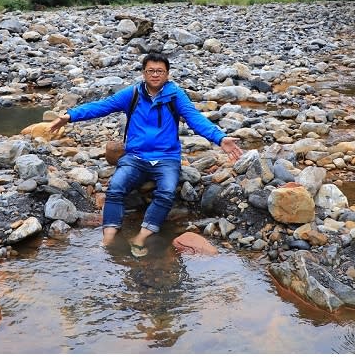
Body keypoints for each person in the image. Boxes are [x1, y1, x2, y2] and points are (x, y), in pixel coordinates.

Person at [49, 52, 243, 257]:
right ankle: (108, 239)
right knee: (115, 187)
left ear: (167, 74)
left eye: (160, 71)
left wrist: (220, 138)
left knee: (167, 191)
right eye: (151, 70)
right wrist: (69, 116)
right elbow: (102, 106)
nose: (155, 75)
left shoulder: (175, 96)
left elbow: (195, 118)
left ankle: (141, 237)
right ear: (144, 73)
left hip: (167, 157)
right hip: (136, 156)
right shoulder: (132, 94)